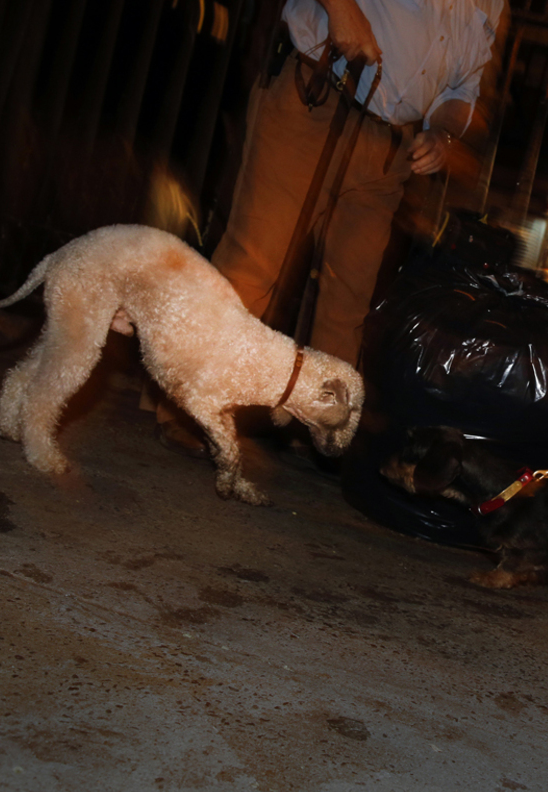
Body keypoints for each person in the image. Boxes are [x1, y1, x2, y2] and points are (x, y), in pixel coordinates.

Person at [157, 0, 505, 454]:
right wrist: (341, 11)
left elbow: (463, 89)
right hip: (316, 96)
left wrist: (441, 133)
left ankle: (322, 429)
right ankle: (188, 406)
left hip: (388, 147)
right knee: (255, 264)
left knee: (348, 299)